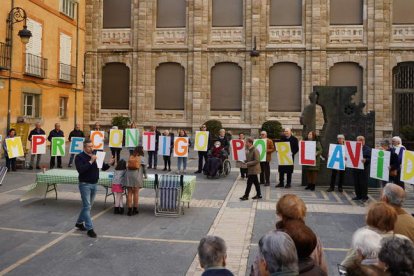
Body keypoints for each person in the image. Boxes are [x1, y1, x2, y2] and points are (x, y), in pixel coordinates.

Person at [341, 202, 409, 268]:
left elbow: (347, 263)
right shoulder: (403, 241)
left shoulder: (364, 238)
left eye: (367, 214)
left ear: (371, 218)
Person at [275, 194, 328, 274]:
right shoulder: (313, 238)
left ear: (280, 215)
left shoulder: (272, 239)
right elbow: (323, 267)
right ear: (303, 215)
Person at [75, 139, 113, 238]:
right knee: (87, 206)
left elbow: (103, 167)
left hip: (94, 184)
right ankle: (90, 229)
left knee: (88, 206)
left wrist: (109, 163)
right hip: (85, 184)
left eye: (92, 146)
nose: (91, 148)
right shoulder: (79, 157)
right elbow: (81, 170)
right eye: (89, 146)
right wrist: (91, 161)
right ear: (84, 147)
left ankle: (79, 223)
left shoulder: (97, 154)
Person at [126, 146, 147, 216]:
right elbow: (145, 169)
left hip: (129, 175)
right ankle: (135, 209)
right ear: (141, 150)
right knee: (136, 193)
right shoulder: (142, 158)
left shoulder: (131, 156)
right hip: (137, 175)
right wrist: (145, 175)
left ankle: (129, 210)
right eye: (143, 149)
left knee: (129, 192)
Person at [352, 136, 371, 201]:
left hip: (363, 169)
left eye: (361, 140)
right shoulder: (354, 148)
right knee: (356, 182)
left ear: (364, 141)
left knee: (363, 183)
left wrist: (366, 160)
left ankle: (364, 197)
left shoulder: (368, 149)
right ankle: (358, 196)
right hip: (355, 168)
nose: (360, 141)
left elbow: (370, 158)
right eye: (358, 140)